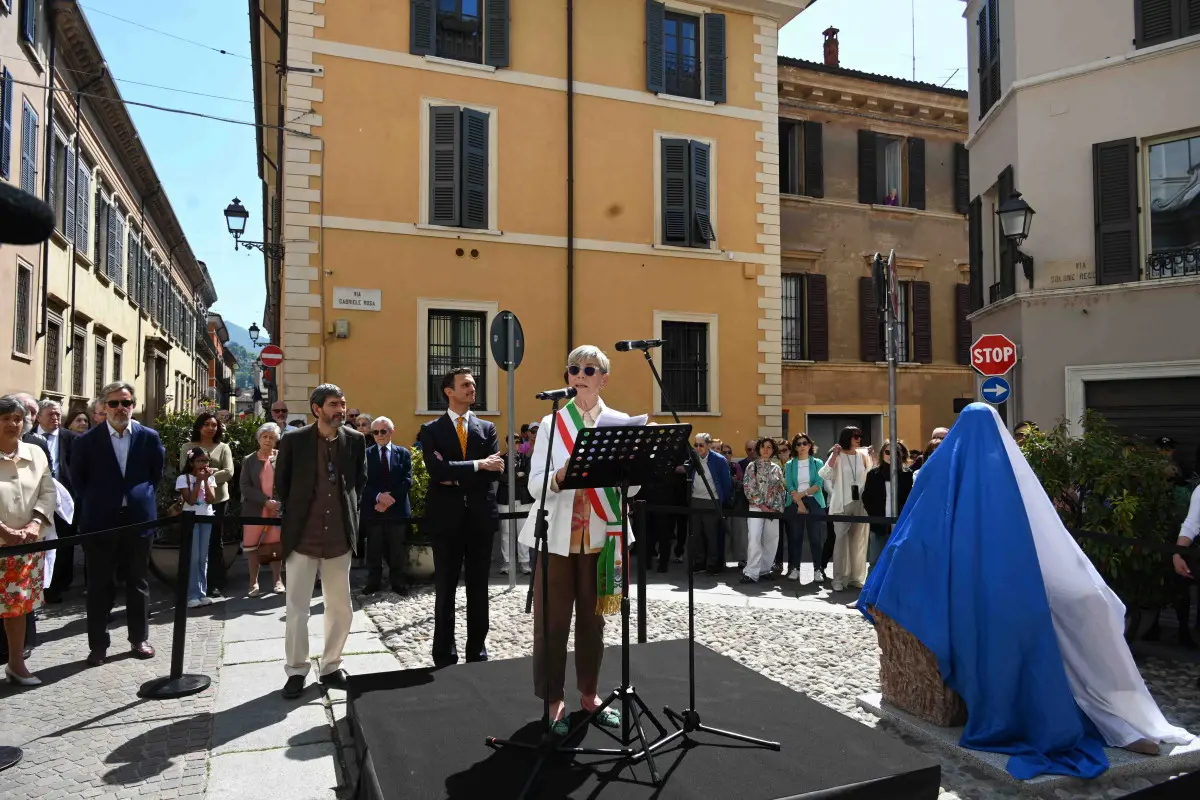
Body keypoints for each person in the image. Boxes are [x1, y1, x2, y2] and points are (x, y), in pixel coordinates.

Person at [859, 403, 1192, 777]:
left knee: (1053, 618)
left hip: (986, 582)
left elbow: (915, 532)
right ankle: (1106, 716)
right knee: (1049, 622)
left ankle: (1103, 716)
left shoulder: (951, 468)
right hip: (996, 581)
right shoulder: (1005, 470)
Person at [519, 345, 633, 735]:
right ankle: (553, 700)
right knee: (551, 624)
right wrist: (558, 477)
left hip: (601, 538)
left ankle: (589, 694)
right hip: (556, 539)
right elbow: (534, 485)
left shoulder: (619, 422)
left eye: (589, 369)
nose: (579, 375)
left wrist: (628, 471)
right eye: (573, 369)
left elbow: (630, 488)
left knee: (592, 621)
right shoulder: (552, 423)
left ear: (604, 378)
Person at [276, 384, 367, 699]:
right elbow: (282, 485)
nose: (340, 410)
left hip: (339, 537)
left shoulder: (355, 441)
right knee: (297, 608)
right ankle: (297, 670)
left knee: (340, 607)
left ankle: (331, 666)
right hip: (302, 536)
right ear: (316, 409)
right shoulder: (293, 441)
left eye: (342, 403)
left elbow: (359, 482)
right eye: (333, 404)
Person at [70, 381, 165, 666]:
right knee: (99, 585)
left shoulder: (149, 437)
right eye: (114, 403)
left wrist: (138, 498)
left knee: (138, 582)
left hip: (137, 520)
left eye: (126, 403)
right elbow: (78, 481)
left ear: (133, 406)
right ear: (103, 407)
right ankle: (98, 645)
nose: (120, 408)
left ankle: (139, 638)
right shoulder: (86, 441)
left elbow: (155, 475)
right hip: (100, 522)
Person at [420, 368, 503, 667]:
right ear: (448, 391)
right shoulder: (431, 430)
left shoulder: (487, 429)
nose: (472, 389)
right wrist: (479, 466)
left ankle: (477, 652)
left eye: (474, 384)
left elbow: (495, 471)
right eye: (466, 384)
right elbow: (437, 472)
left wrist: (458, 473)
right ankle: (444, 653)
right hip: (446, 521)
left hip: (480, 519)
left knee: (479, 590)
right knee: (446, 589)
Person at [0, 394, 56, 686]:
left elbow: (48, 492)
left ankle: (16, 663)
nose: (13, 423)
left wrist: (35, 523)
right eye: (6, 418)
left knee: (17, 606)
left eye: (18, 418)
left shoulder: (35, 453)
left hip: (26, 545)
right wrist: (3, 531)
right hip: (3, 543)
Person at [180, 412, 235, 598]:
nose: (211, 428)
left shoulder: (223, 447)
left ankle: (215, 583)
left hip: (217, 499)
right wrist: (202, 475)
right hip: (193, 503)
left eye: (214, 425)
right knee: (194, 545)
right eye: (207, 424)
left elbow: (228, 472)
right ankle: (193, 585)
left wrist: (209, 475)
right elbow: (184, 472)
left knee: (214, 542)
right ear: (199, 427)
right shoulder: (188, 447)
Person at [362, 416, 413, 595]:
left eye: (383, 431)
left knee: (397, 549)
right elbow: (362, 482)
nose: (380, 435)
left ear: (392, 432)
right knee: (374, 548)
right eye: (376, 432)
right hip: (373, 510)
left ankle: (398, 582)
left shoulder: (403, 453)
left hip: (397, 510)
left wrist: (388, 501)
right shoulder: (366, 454)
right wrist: (378, 497)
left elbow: (407, 480)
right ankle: (373, 582)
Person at [819, 426, 872, 592]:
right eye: (855, 436)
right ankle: (839, 579)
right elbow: (824, 474)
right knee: (841, 541)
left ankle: (856, 578)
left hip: (860, 502)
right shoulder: (838, 455)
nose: (858, 439)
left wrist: (873, 457)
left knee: (858, 541)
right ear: (847, 437)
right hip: (841, 501)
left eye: (860, 436)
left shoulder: (863, 455)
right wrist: (834, 455)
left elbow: (871, 474)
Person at [37, 399, 78, 603]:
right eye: (51, 414)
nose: (55, 418)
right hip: (35, 501)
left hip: (64, 500)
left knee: (63, 542)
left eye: (58, 415)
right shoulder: (29, 438)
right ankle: (39, 584)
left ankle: (57, 586)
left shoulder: (71, 438)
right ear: (39, 416)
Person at [240, 422, 284, 596]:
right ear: (258, 439)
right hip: (254, 509)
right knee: (252, 547)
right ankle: (253, 583)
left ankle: (277, 581)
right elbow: (245, 486)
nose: (268, 440)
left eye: (272, 437)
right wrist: (265, 501)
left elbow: (287, 482)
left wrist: (278, 502)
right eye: (264, 436)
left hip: (277, 510)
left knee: (275, 546)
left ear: (276, 440)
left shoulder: (282, 458)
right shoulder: (249, 460)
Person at [861, 440, 913, 569]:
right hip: (879, 523)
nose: (891, 455)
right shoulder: (873, 474)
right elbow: (866, 498)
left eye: (896, 452)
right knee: (875, 560)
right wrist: (874, 516)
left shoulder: (906, 475)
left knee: (898, 561)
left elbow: (908, 498)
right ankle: (872, 588)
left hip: (899, 523)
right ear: (882, 454)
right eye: (888, 452)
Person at [741, 438, 786, 584]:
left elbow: (781, 490)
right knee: (754, 538)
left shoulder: (777, 468)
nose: (766, 449)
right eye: (763, 447)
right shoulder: (751, 466)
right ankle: (751, 572)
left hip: (773, 509)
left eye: (769, 447)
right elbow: (749, 487)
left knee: (772, 539)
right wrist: (762, 506)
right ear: (759, 449)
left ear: (773, 450)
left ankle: (765, 569)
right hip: (756, 508)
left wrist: (776, 507)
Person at [177, 447, 217, 608]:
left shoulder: (210, 478)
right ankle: (192, 594)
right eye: (199, 461)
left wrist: (206, 480)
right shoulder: (183, 478)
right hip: (191, 519)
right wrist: (199, 481)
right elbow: (191, 501)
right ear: (192, 462)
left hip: (206, 517)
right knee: (193, 557)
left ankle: (202, 593)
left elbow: (212, 499)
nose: (203, 464)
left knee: (203, 557)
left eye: (206, 461)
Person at [783, 433, 827, 583]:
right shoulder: (790, 464)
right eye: (798, 444)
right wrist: (800, 502)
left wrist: (803, 495)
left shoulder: (817, 463)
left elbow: (818, 484)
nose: (802, 446)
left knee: (815, 537)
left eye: (804, 443)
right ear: (795, 447)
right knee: (795, 537)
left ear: (810, 445)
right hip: (795, 501)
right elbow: (789, 485)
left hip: (814, 500)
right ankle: (795, 568)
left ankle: (817, 570)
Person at [688, 433, 731, 575]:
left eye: (701, 445)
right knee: (697, 534)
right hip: (695, 499)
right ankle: (699, 562)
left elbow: (726, 482)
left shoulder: (718, 460)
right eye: (696, 445)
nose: (698, 448)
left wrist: (724, 501)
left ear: (708, 445)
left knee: (711, 534)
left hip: (712, 501)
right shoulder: (693, 458)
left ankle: (712, 563)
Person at [497, 434, 533, 576]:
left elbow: (528, 478)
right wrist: (517, 476)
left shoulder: (526, 459)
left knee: (523, 532)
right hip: (505, 499)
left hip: (523, 499)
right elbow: (500, 476)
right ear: (507, 444)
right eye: (512, 443)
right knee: (506, 532)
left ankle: (524, 561)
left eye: (517, 443)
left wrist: (511, 478)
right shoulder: (501, 459)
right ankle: (507, 561)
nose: (515, 446)